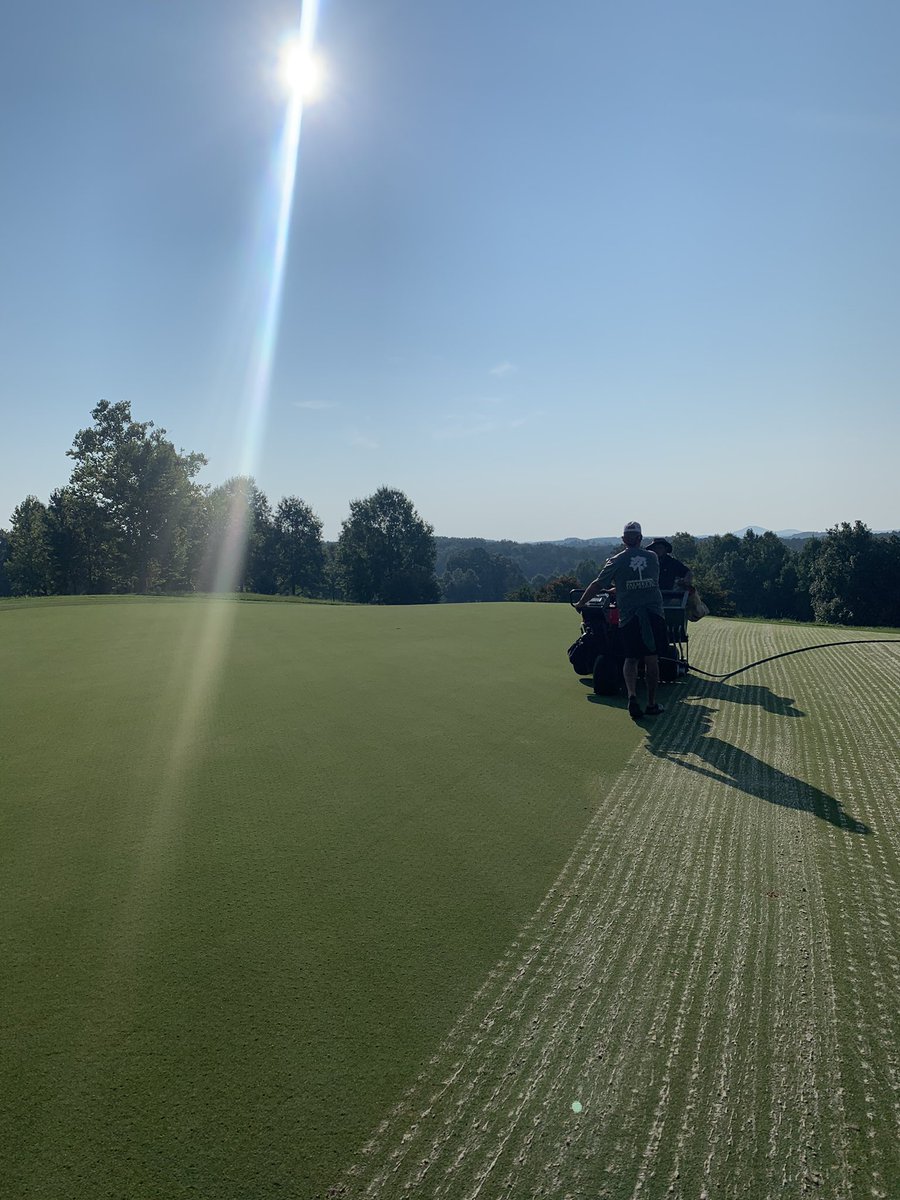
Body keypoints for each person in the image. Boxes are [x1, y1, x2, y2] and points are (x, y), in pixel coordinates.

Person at [576, 521, 668, 720]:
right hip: (654, 614)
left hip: (630, 616)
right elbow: (645, 583)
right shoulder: (652, 558)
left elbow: (597, 584)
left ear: (624, 540)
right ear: (640, 538)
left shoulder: (616, 561)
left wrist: (581, 602)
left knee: (631, 658)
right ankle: (651, 704)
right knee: (652, 659)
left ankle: (632, 696)